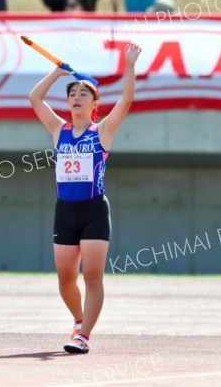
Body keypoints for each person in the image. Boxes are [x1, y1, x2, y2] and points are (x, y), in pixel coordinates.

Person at [28, 43, 142, 353]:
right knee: (65, 280)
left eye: (83, 94)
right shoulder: (58, 129)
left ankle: (84, 336)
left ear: (94, 102)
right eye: (72, 94)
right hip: (64, 211)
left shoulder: (102, 131)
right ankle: (79, 321)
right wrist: (57, 72)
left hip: (93, 211)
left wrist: (129, 64)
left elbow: (127, 100)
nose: (76, 97)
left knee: (92, 276)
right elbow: (35, 98)